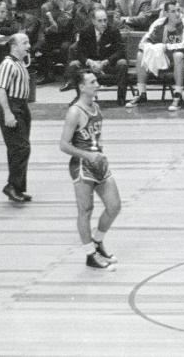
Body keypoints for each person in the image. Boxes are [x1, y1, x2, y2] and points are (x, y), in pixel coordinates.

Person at [58, 70, 121, 270]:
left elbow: (96, 135)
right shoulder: (75, 112)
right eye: (92, 82)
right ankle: (89, 255)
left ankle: (97, 240)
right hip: (82, 165)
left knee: (114, 206)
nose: (97, 84)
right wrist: (88, 155)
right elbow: (63, 145)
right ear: (81, 87)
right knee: (85, 210)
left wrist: (99, 152)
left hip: (98, 163)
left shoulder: (96, 107)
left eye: (97, 81)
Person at [0, 33, 33, 203]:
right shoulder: (8, 64)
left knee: (19, 148)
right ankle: (12, 186)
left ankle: (17, 188)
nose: (28, 46)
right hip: (13, 106)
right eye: (24, 43)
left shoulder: (20, 63)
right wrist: (7, 113)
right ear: (14, 46)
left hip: (22, 106)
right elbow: (1, 90)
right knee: (21, 148)